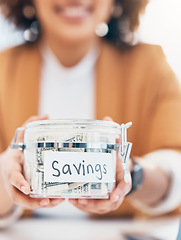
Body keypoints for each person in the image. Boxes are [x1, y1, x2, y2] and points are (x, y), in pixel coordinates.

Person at [0, 0, 181, 228]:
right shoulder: (2, 69)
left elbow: (176, 168)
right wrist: (6, 174)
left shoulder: (152, 68)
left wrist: (132, 175)